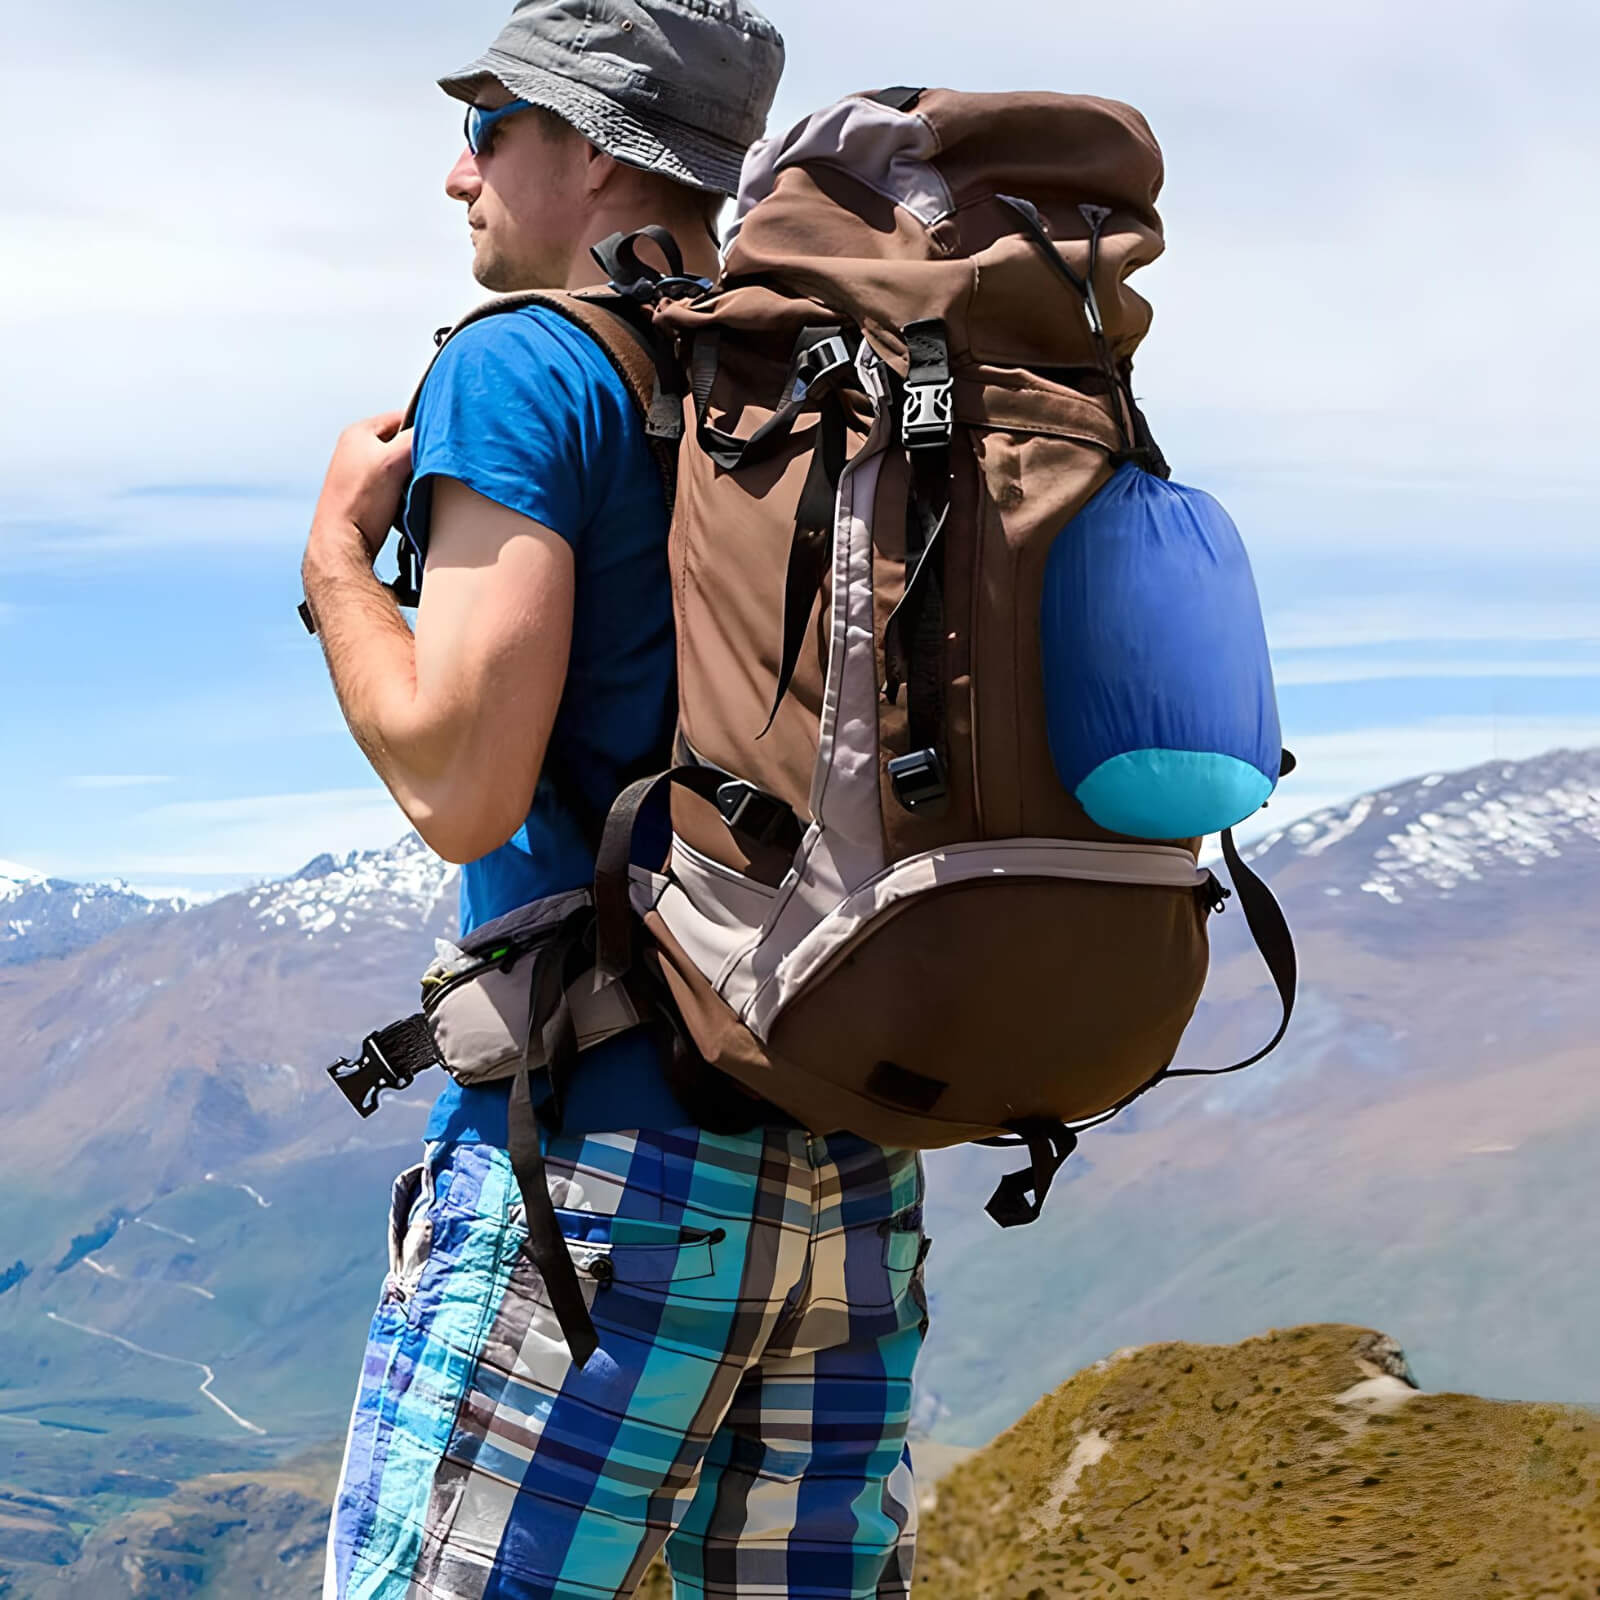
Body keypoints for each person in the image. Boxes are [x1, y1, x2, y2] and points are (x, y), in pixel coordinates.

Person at [301, 5, 930, 1596]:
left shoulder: (531, 366)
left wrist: (332, 568)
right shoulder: (837, 385)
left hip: (600, 1182)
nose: (459, 174)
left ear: (591, 152)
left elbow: (463, 779)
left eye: (490, 125)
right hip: (854, 1187)